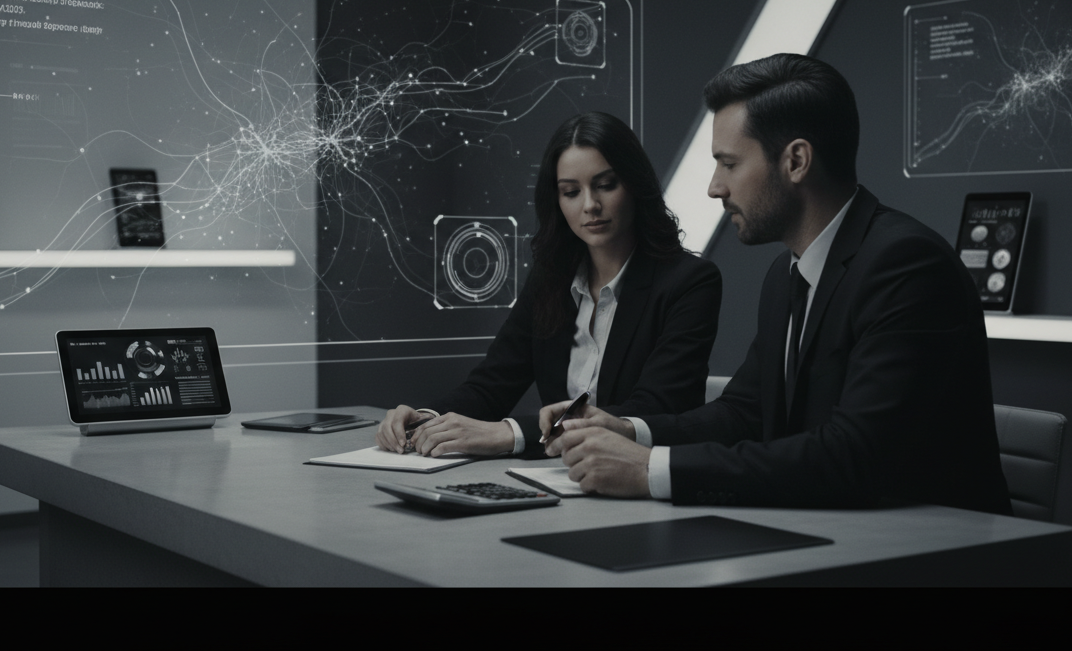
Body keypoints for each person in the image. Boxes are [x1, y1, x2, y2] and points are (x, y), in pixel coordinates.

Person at [542, 54, 1011, 515]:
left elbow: (853, 457)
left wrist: (650, 469)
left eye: (728, 163)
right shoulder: (787, 274)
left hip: (936, 556)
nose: (714, 186)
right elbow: (744, 413)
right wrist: (628, 430)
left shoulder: (907, 266)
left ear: (796, 161)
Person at [374, 112, 722, 458]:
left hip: (635, 481)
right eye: (571, 192)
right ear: (556, 200)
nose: (590, 206)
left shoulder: (690, 283)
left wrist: (510, 433)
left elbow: (652, 410)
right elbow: (492, 384)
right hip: (558, 484)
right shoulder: (551, 278)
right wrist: (427, 419)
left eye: (606, 185)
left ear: (634, 185)